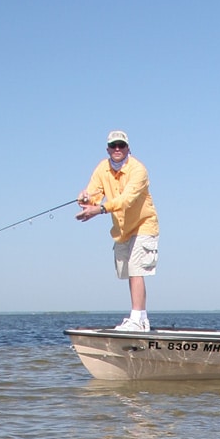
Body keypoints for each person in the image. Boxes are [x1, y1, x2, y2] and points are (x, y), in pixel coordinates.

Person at [76, 130, 160, 331]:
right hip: (122, 229)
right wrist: (85, 200)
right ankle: (141, 318)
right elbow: (93, 195)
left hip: (144, 224)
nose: (117, 149)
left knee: (135, 269)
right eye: (113, 145)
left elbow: (126, 199)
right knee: (127, 272)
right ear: (108, 149)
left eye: (121, 145)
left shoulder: (138, 170)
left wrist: (101, 209)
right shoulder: (102, 168)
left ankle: (137, 319)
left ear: (128, 148)